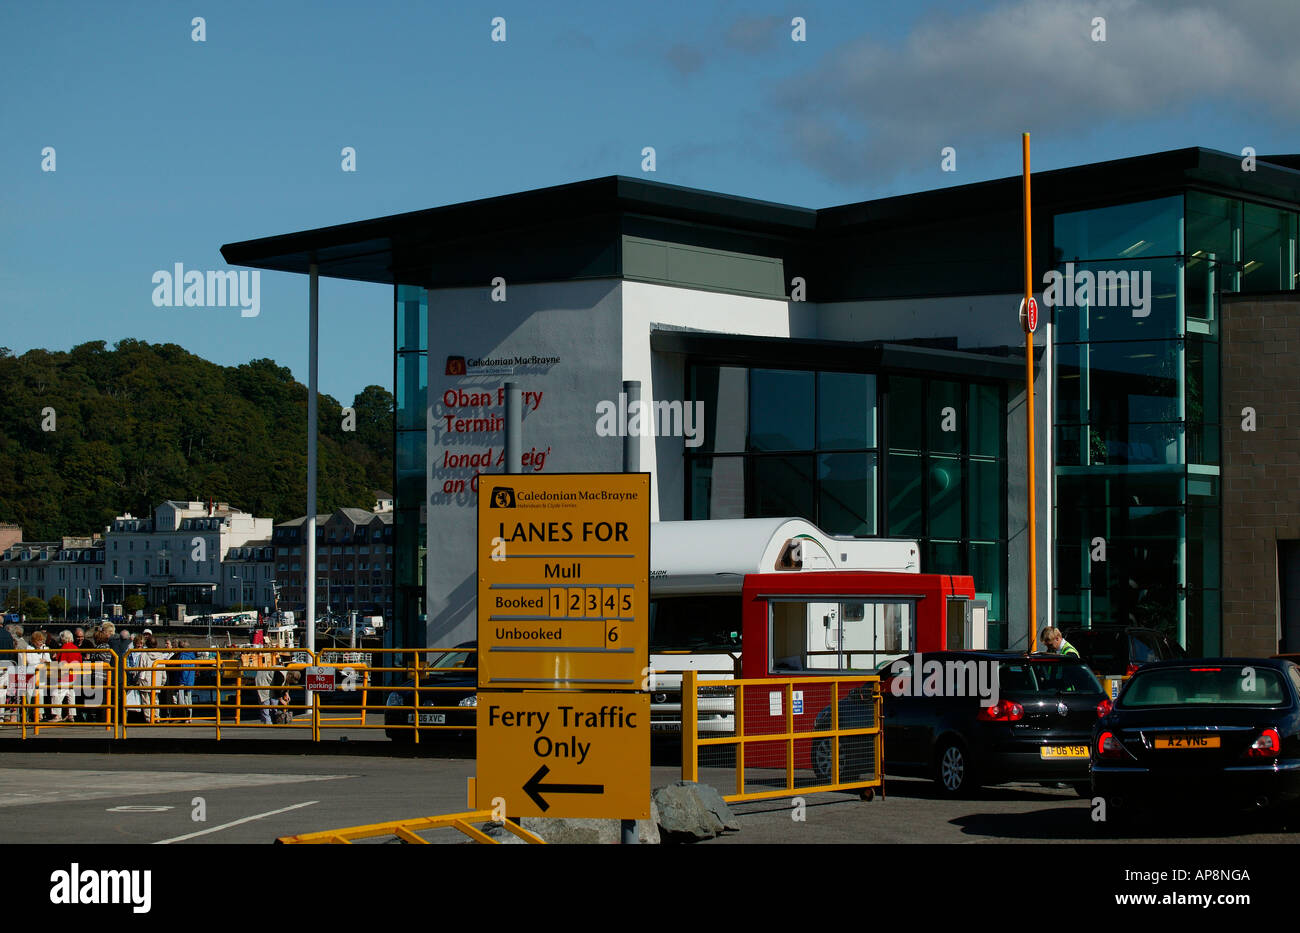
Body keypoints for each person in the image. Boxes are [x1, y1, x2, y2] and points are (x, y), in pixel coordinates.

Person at [50, 630, 82, 722]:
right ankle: (71, 715)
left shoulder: (64, 648)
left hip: (64, 676)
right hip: (74, 675)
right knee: (71, 695)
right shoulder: (76, 648)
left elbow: (61, 662)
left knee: (56, 694)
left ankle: (57, 715)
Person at [173, 641, 197, 723]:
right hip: (190, 680)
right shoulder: (192, 656)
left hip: (183, 680)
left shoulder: (183, 656)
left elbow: (184, 670)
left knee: (183, 700)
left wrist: (181, 682)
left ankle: (186, 716)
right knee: (188, 699)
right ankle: (189, 717)